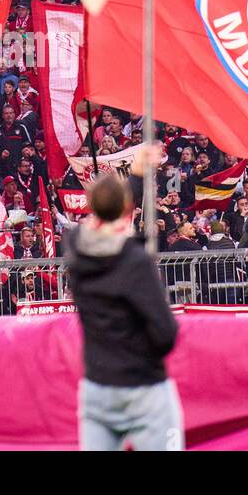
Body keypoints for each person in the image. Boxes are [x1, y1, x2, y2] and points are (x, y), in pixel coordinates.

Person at [65, 163, 182, 451]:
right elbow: (165, 332)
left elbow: (97, 224)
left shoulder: (76, 251)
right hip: (143, 384)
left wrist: (135, 178)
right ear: (128, 205)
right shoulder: (135, 261)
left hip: (96, 385)